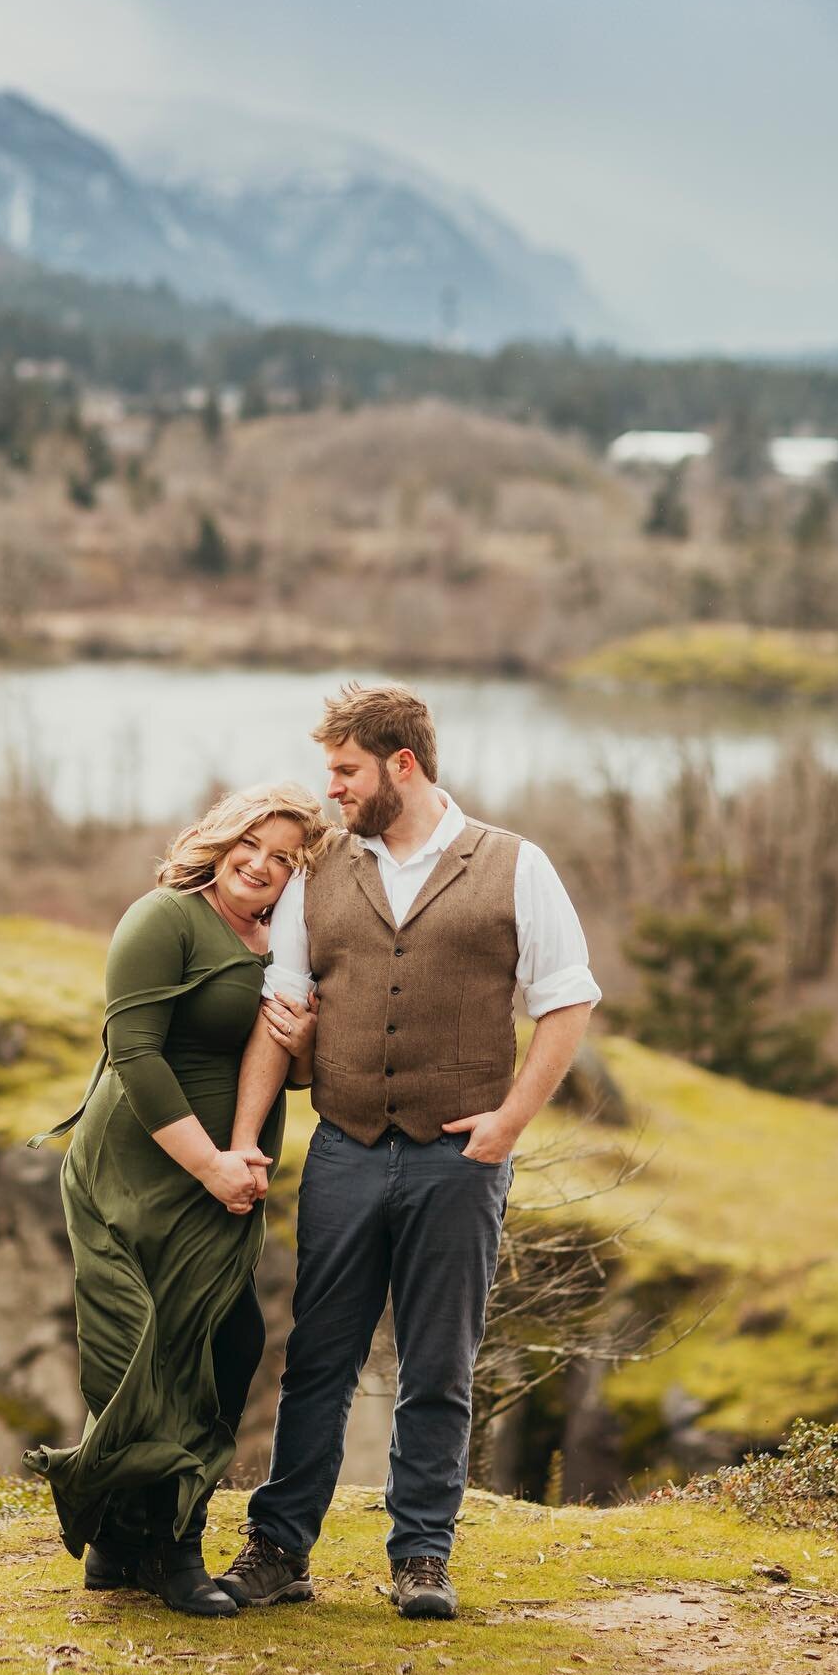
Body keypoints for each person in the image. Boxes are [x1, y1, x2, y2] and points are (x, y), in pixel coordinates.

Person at [217, 682, 600, 1621]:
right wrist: (241, 1142)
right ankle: (278, 1550)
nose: (332, 791)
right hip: (345, 1151)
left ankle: (422, 1555)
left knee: (438, 1365)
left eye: (345, 771)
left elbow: (570, 998)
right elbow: (285, 1009)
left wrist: (509, 1125)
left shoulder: (514, 864)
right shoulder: (317, 872)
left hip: (457, 1162)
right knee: (318, 1360)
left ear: (402, 763)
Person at [24, 783, 329, 1618]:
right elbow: (135, 1054)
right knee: (145, 1354)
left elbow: (290, 1065)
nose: (262, 866)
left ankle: (127, 1542)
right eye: (253, 846)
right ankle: (169, 1551)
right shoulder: (165, 918)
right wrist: (210, 1164)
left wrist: (302, 1050)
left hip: (229, 1172)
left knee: (225, 1347)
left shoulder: (286, 942)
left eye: (285, 860)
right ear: (221, 837)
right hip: (142, 1171)